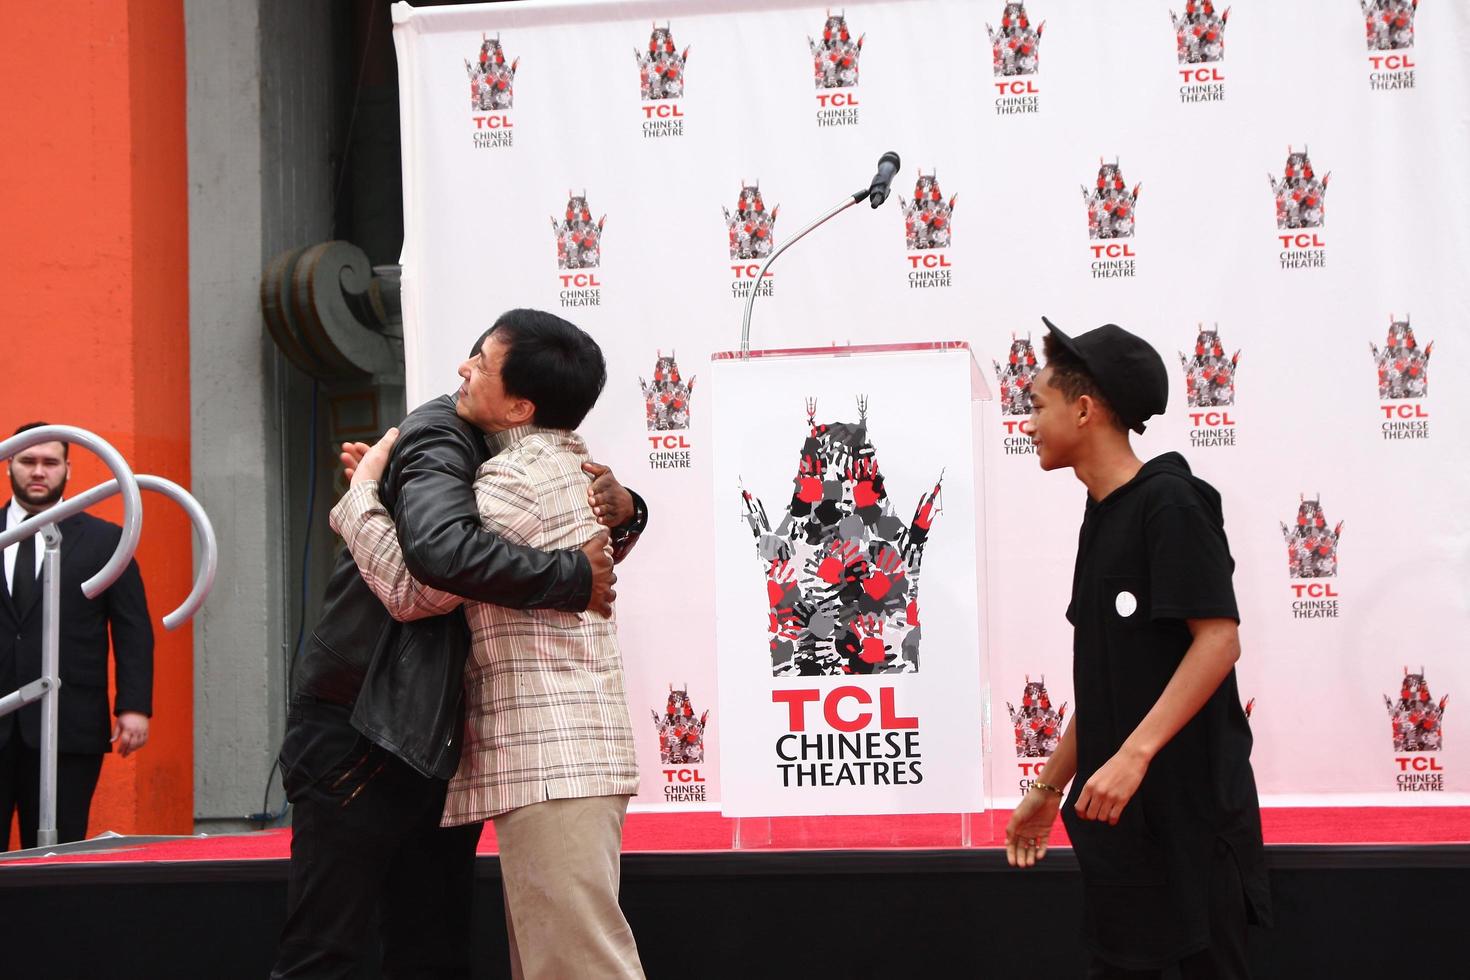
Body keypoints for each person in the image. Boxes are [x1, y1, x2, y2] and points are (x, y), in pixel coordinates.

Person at [270, 322, 646, 979]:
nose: (464, 369)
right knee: (521, 956)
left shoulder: (504, 471)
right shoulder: (558, 461)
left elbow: (420, 582)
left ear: (522, 406)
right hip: (410, 735)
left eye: (483, 362)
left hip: (536, 756)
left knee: (571, 963)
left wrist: (361, 499)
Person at [1004, 319, 1270, 978]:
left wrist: (1134, 755)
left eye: (1038, 405)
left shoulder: (1171, 503)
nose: (1026, 422)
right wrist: (1047, 785)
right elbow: (1108, 684)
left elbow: (1218, 640)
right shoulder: (1100, 515)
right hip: (1125, 843)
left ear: (1085, 409)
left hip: (1192, 833)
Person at [0, 422, 153, 850]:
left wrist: (134, 706)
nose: (38, 471)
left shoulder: (106, 540)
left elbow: (132, 626)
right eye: (28, 461)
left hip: (69, 720)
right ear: (10, 464)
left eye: (50, 462)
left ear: (68, 469)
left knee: (57, 851)